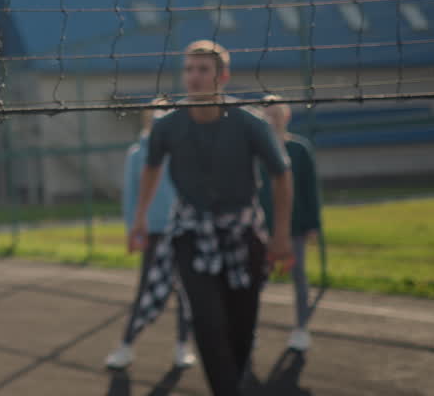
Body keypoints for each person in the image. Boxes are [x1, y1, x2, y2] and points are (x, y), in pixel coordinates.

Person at [127, 40, 294, 396]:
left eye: (202, 69)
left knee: (242, 324)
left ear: (223, 76)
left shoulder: (250, 123)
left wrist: (281, 235)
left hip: (244, 231)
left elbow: (282, 174)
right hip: (191, 232)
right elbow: (151, 170)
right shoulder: (167, 126)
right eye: (188, 69)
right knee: (206, 320)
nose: (194, 77)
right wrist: (140, 218)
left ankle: (234, 380)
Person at [106, 98, 196, 370]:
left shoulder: (181, 149)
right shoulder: (137, 154)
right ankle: (126, 346)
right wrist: (134, 227)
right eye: (154, 117)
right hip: (153, 233)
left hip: (180, 230)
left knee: (186, 294)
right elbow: (131, 196)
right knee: (145, 290)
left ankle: (182, 346)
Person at [258, 95, 323, 352]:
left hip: (294, 229)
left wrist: (312, 224)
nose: (272, 120)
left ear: (286, 117)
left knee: (298, 277)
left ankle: (300, 328)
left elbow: (310, 190)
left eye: (276, 115)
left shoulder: (299, 149)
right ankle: (250, 330)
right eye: (267, 115)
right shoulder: (257, 151)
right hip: (261, 229)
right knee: (255, 282)